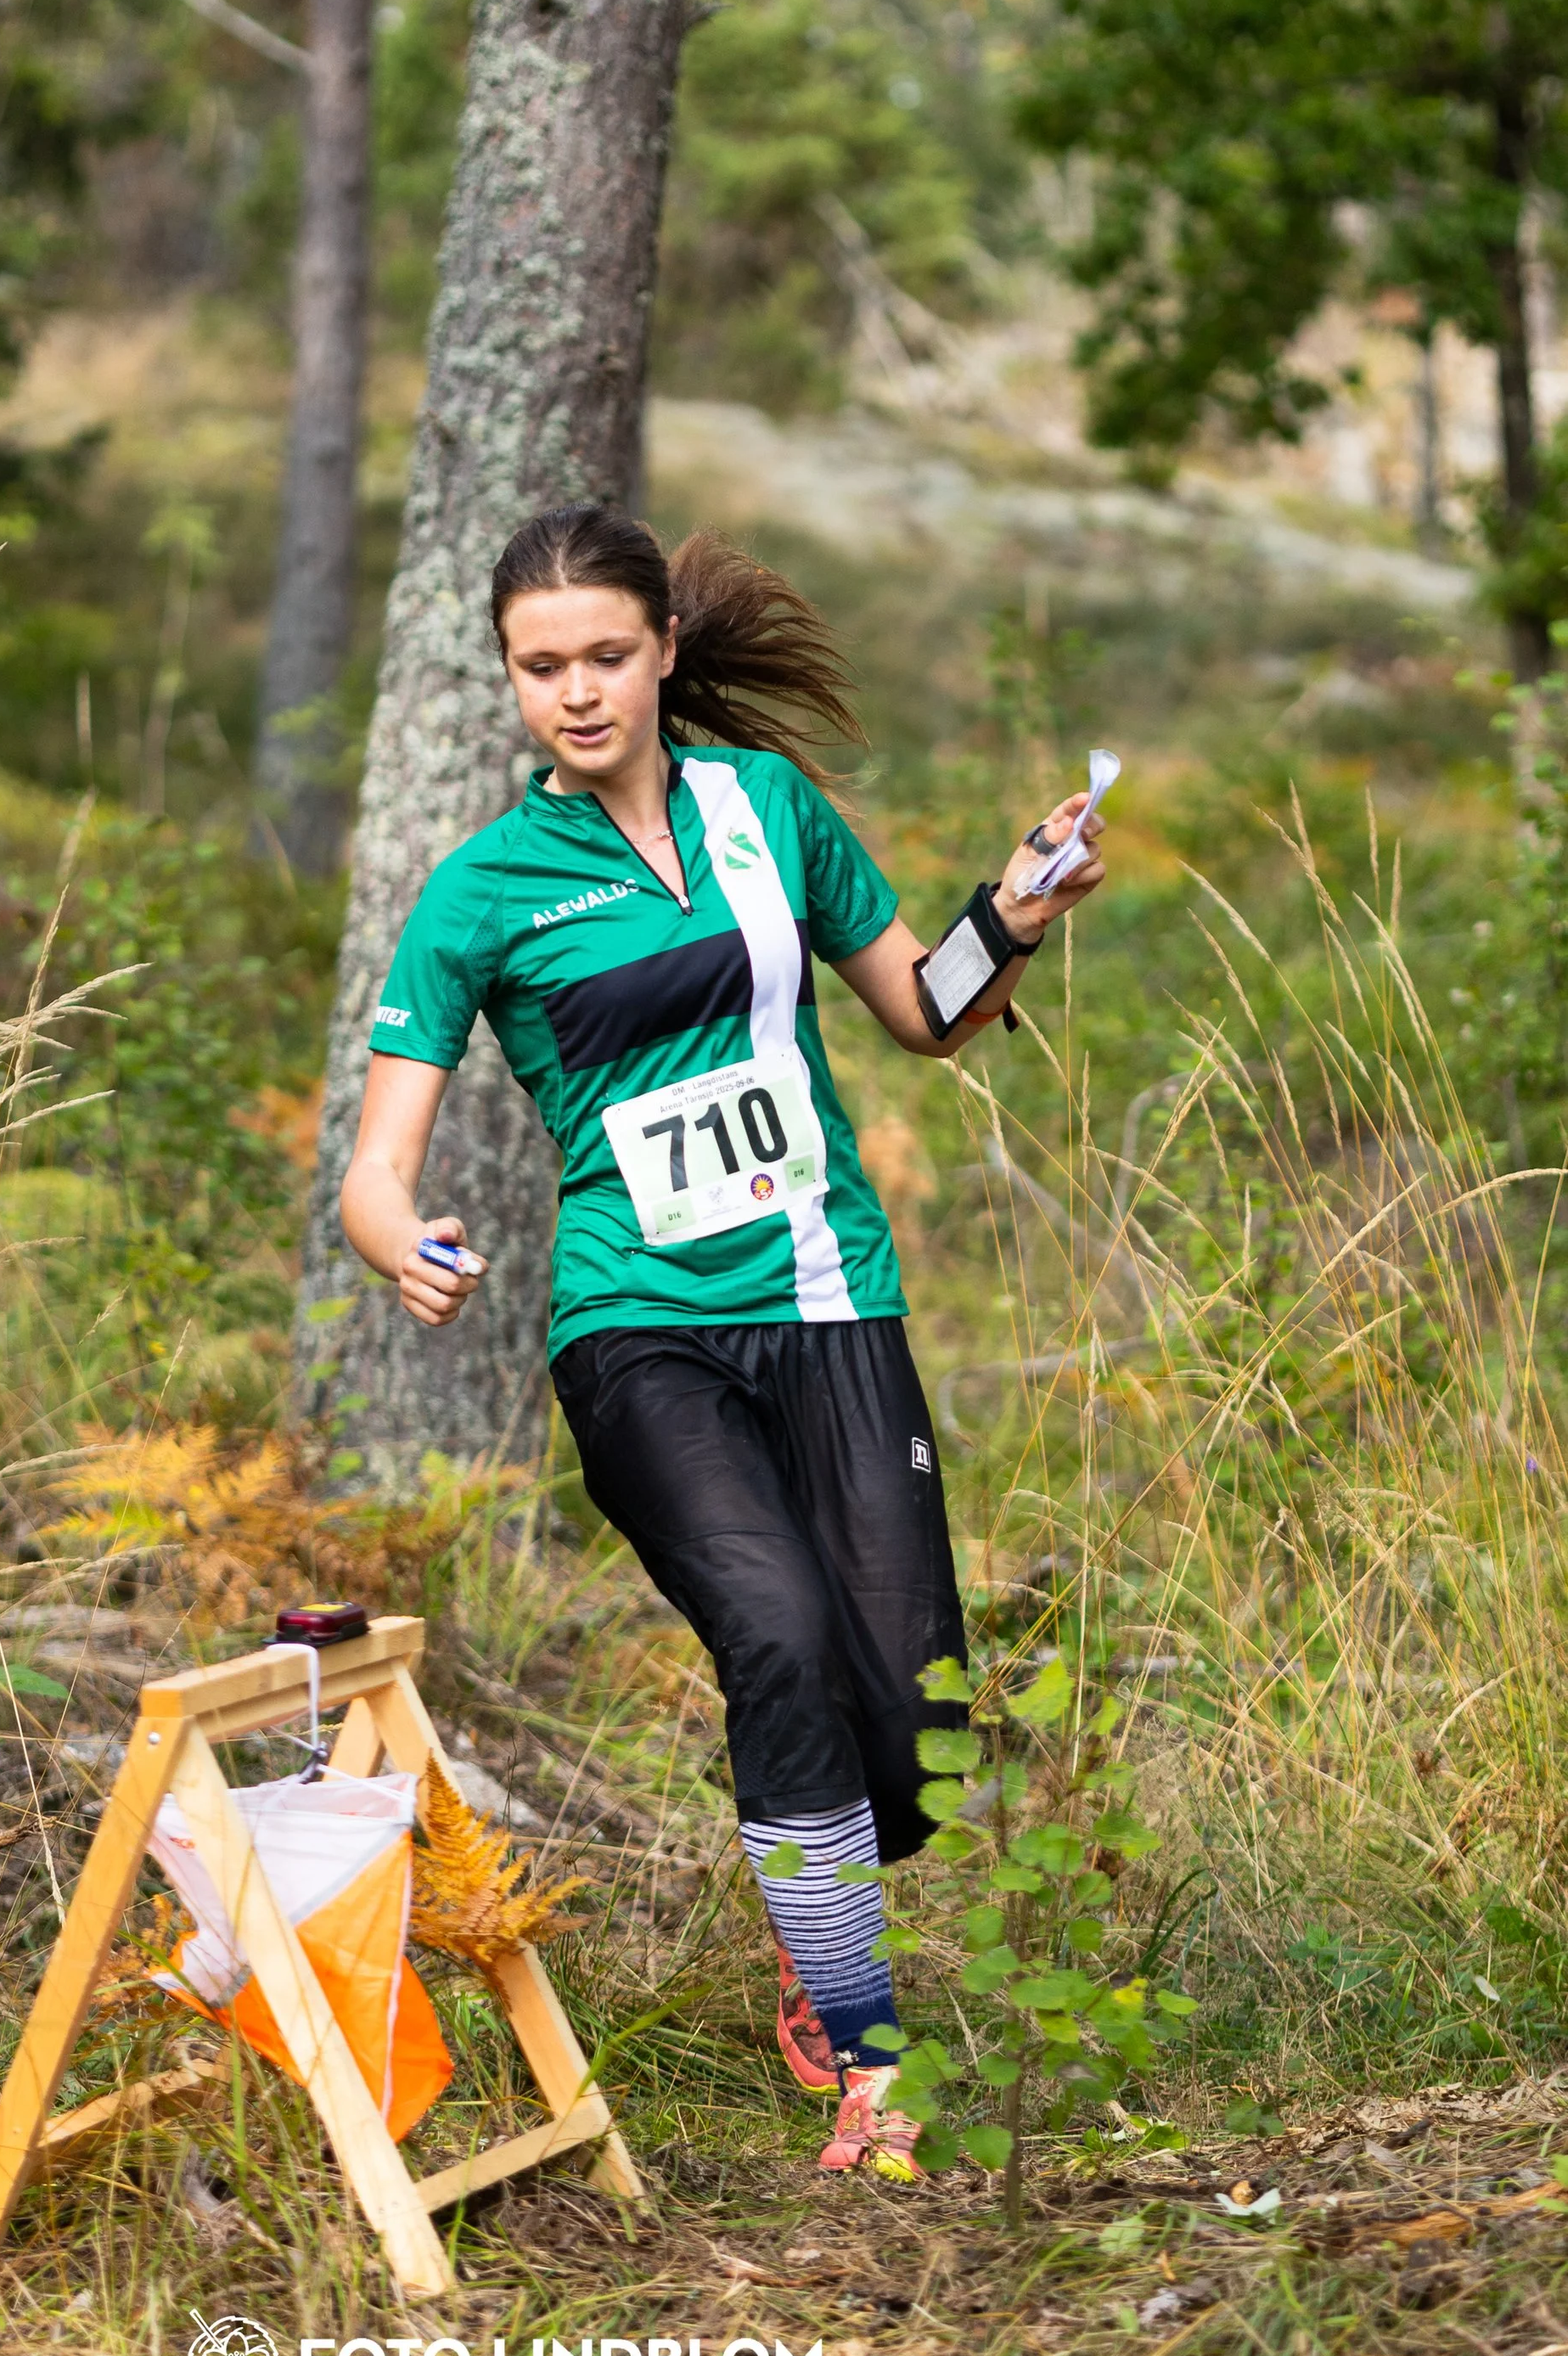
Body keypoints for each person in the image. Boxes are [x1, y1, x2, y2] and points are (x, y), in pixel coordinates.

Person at [338, 503, 1108, 2179]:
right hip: (636, 1327)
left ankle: (804, 1882)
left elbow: (922, 1011)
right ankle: (864, 2052)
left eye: (603, 655)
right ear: (509, 681)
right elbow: (374, 1170)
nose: (574, 692)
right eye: (538, 668)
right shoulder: (480, 893)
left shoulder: (768, 810)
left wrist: (1016, 907)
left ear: (662, 650)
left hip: (829, 1295)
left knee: (910, 1709)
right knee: (768, 1630)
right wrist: (405, 1241)